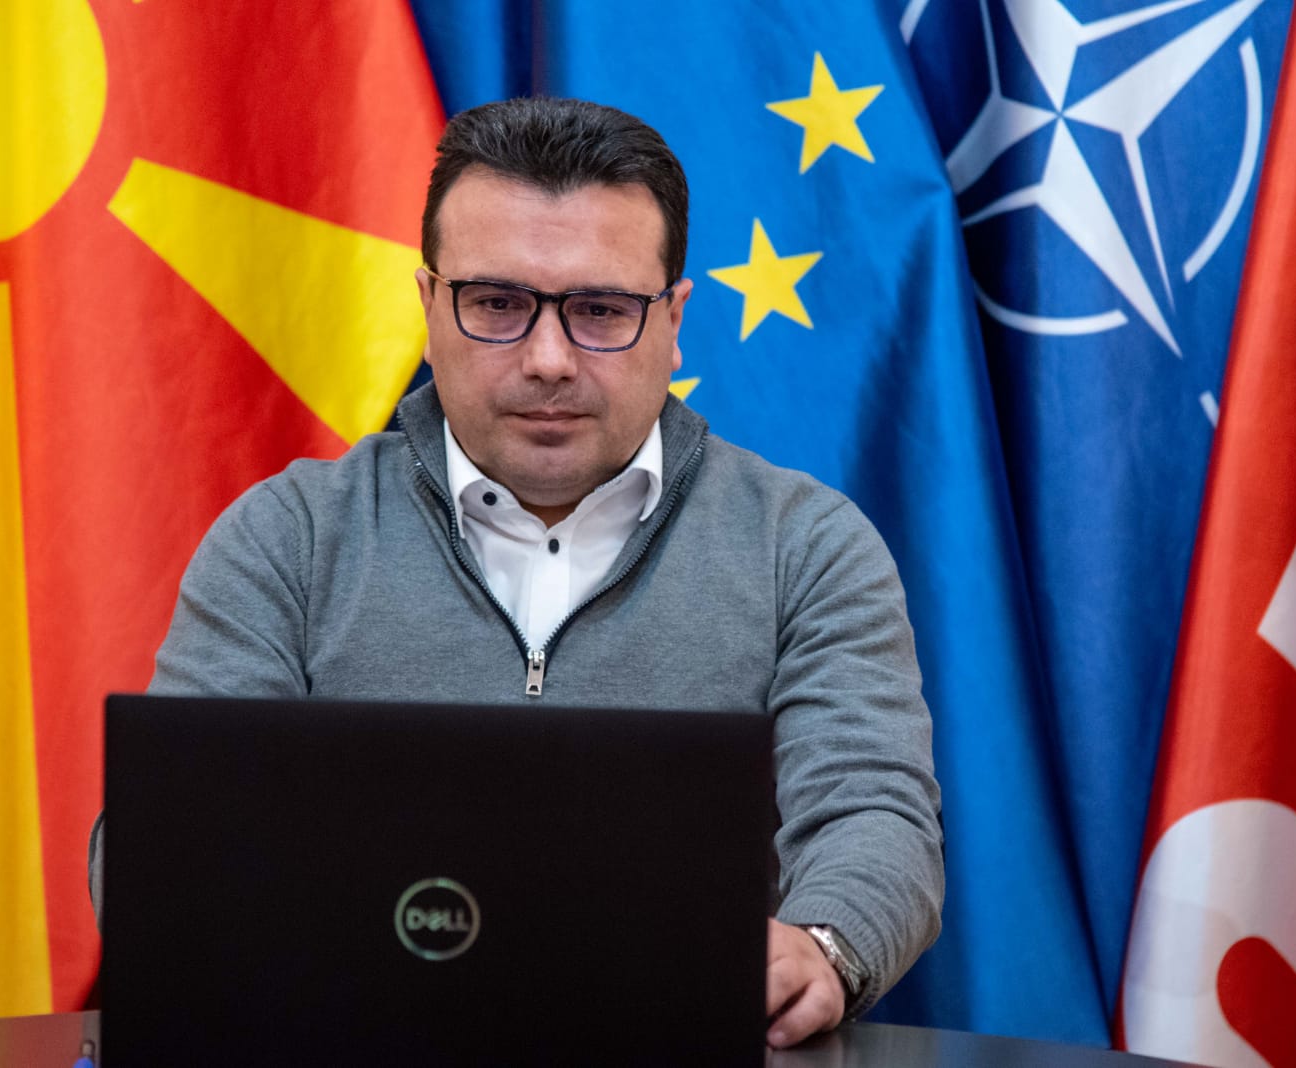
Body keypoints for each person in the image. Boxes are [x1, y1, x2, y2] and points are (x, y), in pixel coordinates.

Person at [90, 97, 943, 1049]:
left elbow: (874, 815)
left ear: (674, 321)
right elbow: (163, 846)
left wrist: (824, 947)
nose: (547, 360)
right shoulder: (287, 537)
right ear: (428, 308)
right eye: (497, 304)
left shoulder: (807, 545)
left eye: (600, 311)